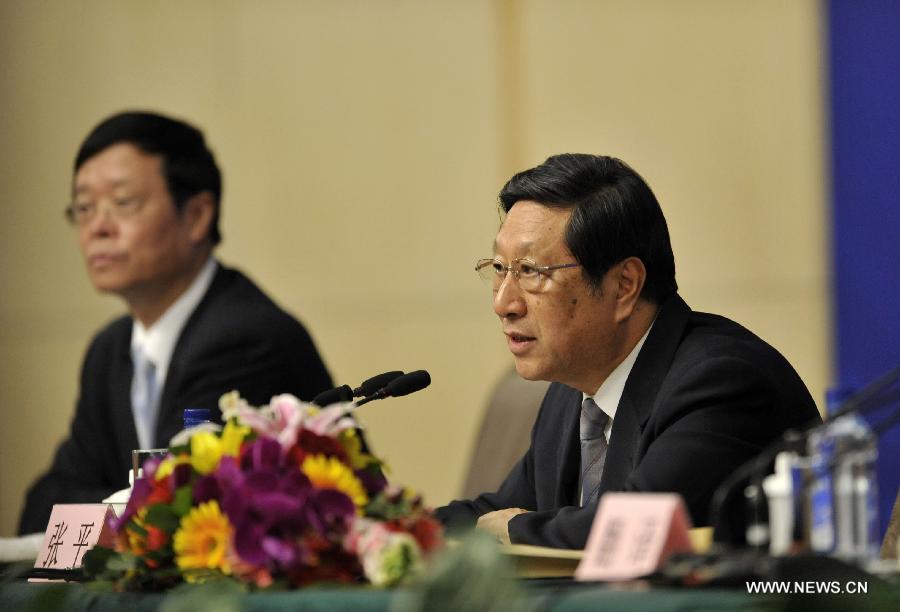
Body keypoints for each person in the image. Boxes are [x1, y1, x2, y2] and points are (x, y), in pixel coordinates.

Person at [435, 154, 821, 549]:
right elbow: (498, 509)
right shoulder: (571, 394)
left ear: (624, 286)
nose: (504, 303)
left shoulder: (723, 382)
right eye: (499, 269)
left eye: (532, 272)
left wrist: (515, 532)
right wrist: (391, 529)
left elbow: (634, 527)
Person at [18, 111, 333, 534]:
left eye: (123, 204)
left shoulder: (243, 338)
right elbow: (42, 507)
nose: (97, 228)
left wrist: (108, 509)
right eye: (84, 208)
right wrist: (122, 506)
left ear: (198, 215)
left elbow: (177, 508)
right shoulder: (109, 352)